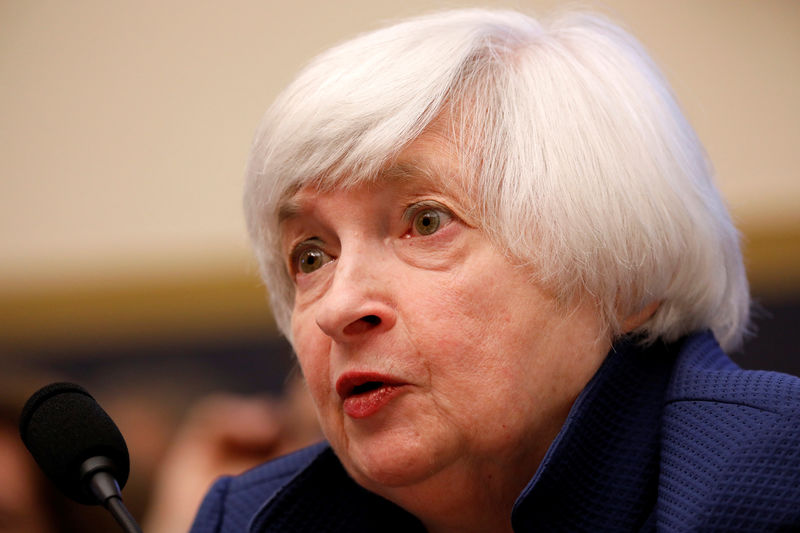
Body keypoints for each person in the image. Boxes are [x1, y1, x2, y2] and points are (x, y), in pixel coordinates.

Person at [190, 8, 800, 532]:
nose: (338, 307)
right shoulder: (247, 519)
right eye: (312, 257)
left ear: (623, 272)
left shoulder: (775, 474)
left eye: (427, 222)